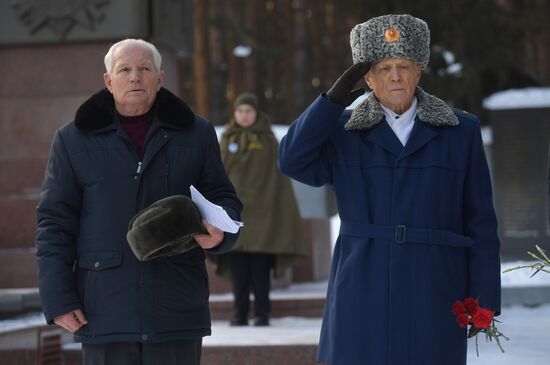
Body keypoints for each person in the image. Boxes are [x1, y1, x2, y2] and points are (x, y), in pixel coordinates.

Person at [278, 14, 501, 365]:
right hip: (361, 282)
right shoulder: (343, 131)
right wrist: (332, 100)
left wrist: (484, 295)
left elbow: (481, 221)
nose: (395, 76)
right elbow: (292, 160)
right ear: (367, 78)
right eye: (383, 68)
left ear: (419, 71)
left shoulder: (460, 131)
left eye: (403, 66)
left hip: (435, 284)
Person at [35, 38, 242, 365]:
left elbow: (223, 196)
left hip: (176, 305)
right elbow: (55, 222)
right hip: (104, 309)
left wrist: (221, 230)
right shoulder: (72, 139)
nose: (135, 77)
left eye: (145, 69)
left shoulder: (196, 133)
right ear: (108, 81)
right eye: (125, 70)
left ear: (160, 78)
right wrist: (58, 297)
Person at [213, 92, 306, 326]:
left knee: (260, 270)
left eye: (248, 111)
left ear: (256, 113)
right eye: (240, 111)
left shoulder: (267, 140)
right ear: (235, 114)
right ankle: (239, 314)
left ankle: (263, 313)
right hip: (234, 215)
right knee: (239, 270)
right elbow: (217, 173)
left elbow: (277, 179)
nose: (244, 116)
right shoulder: (226, 138)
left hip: (264, 215)